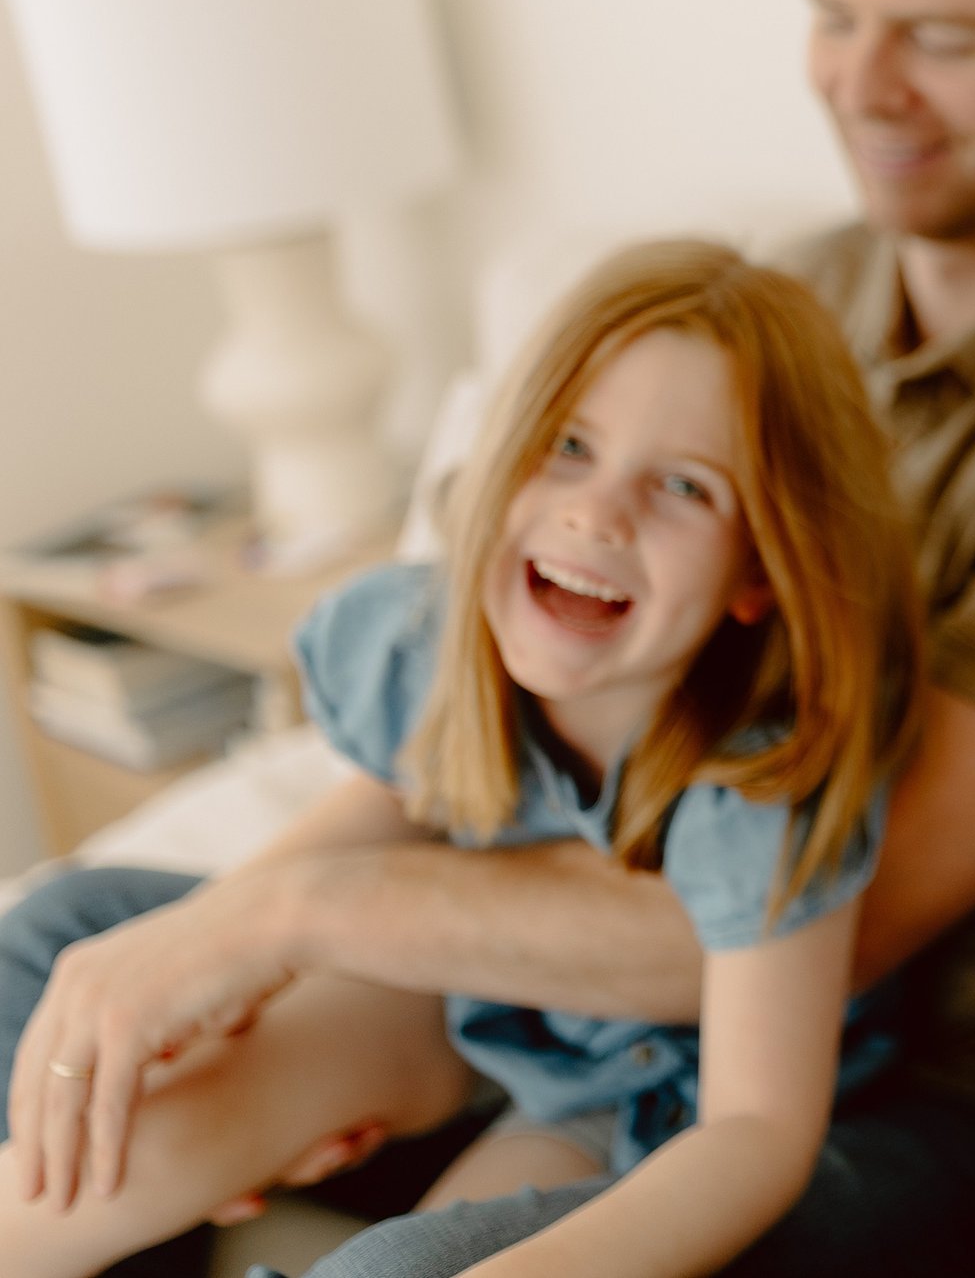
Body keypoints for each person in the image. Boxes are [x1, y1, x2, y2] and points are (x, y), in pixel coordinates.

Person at [0, 0, 975, 1277]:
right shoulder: (785, 304)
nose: (864, 84)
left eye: (944, 36)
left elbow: (795, 926)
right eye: (833, 14)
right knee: (67, 943)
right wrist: (231, 960)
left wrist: (282, 927)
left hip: (918, 1089)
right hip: (556, 1001)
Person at [2, 241, 917, 1278]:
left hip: (650, 1095)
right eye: (568, 445)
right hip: (475, 1014)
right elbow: (370, 821)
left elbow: (754, 1134)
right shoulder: (425, 645)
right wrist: (200, 969)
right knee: (84, 997)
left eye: (682, 486)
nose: (597, 511)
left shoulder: (762, 780)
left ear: (759, 569)